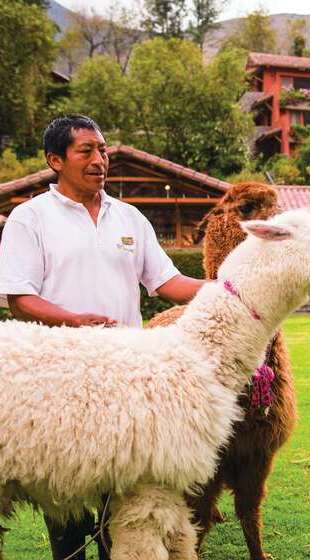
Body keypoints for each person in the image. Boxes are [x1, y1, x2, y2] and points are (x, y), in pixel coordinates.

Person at [0, 114, 207, 560]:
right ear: (56, 160)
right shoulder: (30, 218)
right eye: (86, 151)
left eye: (104, 150)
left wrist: (226, 289)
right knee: (69, 509)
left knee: (129, 511)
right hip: (60, 382)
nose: (100, 159)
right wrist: (72, 321)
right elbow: (19, 299)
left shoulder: (129, 217)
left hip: (126, 384)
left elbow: (168, 282)